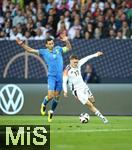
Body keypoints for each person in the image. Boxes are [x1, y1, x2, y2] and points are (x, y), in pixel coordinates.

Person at [16, 35, 72, 122]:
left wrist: (66, 40)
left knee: (57, 97)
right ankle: (44, 104)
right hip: (51, 76)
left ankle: (51, 112)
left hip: (59, 77)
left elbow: (69, 48)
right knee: (50, 96)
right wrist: (22, 44)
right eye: (49, 44)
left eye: (52, 43)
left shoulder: (58, 49)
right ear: (46, 45)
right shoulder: (43, 52)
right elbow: (30, 50)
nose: (51, 45)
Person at [63, 52, 108, 124]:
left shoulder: (79, 63)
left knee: (92, 101)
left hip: (84, 86)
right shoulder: (67, 70)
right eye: (74, 62)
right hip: (76, 90)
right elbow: (64, 81)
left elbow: (87, 58)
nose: (76, 64)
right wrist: (65, 91)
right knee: (89, 104)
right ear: (70, 61)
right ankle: (103, 118)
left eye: (77, 62)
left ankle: (95, 113)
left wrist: (96, 54)